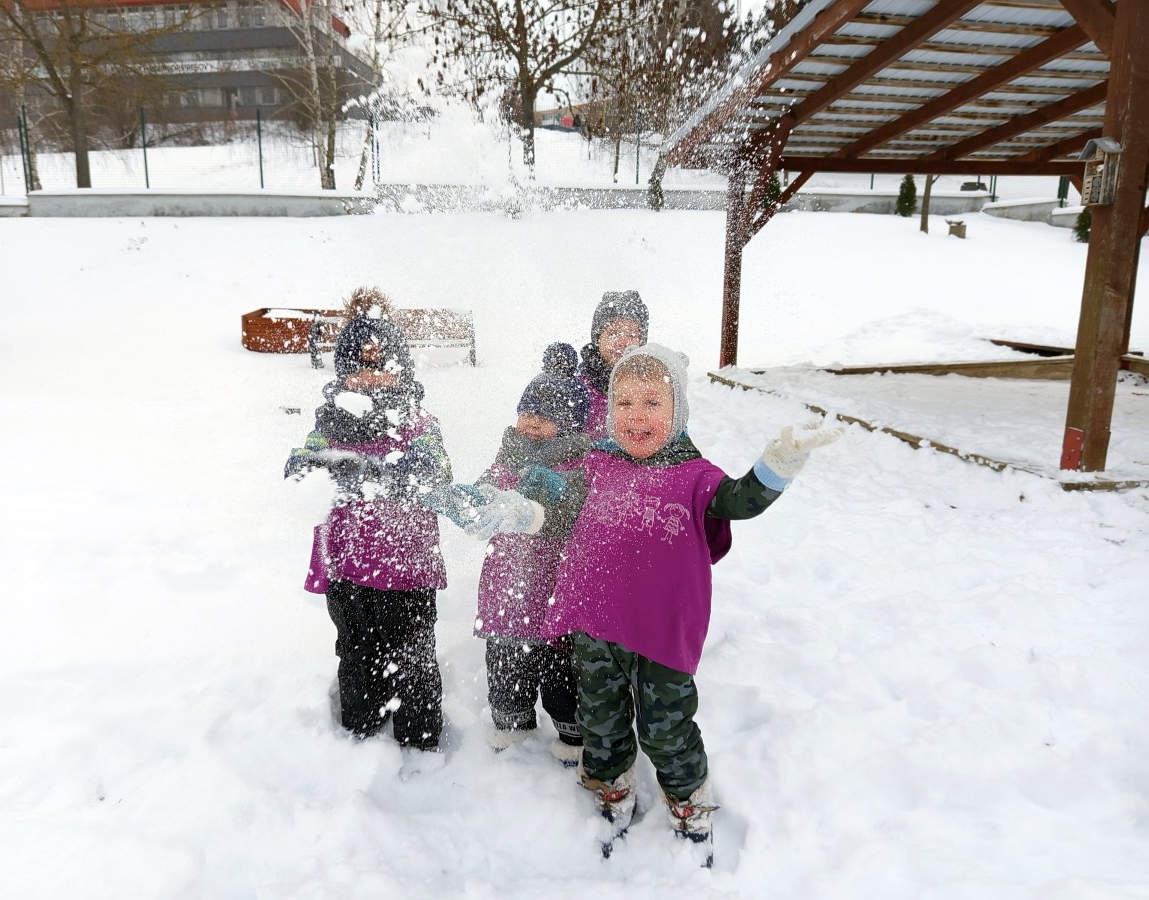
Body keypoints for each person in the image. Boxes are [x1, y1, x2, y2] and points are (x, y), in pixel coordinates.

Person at [460, 343, 842, 865]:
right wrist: (520, 512)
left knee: (667, 730)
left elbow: (740, 501)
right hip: (594, 625)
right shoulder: (597, 467)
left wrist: (778, 465)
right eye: (624, 403)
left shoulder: (695, 477)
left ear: (677, 411)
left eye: (652, 403)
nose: (636, 416)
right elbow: (559, 513)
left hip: (660, 632)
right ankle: (611, 788)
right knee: (600, 721)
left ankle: (688, 803)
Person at [285, 309, 452, 754]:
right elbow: (299, 467)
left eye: (382, 364)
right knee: (357, 649)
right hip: (346, 564)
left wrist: (360, 471)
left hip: (405, 566)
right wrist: (338, 468)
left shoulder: (420, 423)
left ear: (401, 368)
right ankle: (360, 727)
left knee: (412, 655)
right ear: (343, 374)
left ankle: (419, 739)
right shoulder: (327, 426)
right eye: (359, 366)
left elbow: (433, 470)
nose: (371, 376)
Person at [457, 343, 592, 764]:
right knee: (506, 662)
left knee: (560, 672)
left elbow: (580, 519)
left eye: (545, 415)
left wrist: (555, 497)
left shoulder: (581, 466)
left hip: (553, 590)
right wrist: (470, 502)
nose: (531, 421)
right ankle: (511, 724)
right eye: (526, 411)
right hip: (506, 589)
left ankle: (571, 732)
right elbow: (487, 490)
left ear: (568, 424)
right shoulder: (508, 456)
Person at [577, 290, 649, 441]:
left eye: (632, 335)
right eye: (613, 333)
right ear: (597, 339)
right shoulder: (578, 389)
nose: (622, 342)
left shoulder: (651, 387)